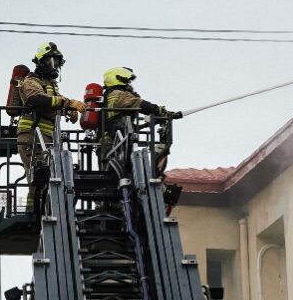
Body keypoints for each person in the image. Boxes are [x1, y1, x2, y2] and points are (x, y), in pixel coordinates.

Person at [15, 42, 85, 211]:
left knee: (46, 177)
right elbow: (36, 99)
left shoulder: (51, 86)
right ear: (42, 62)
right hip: (31, 135)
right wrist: (68, 103)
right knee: (38, 176)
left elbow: (57, 100)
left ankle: (41, 211)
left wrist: (70, 109)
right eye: (52, 61)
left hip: (46, 137)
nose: (55, 66)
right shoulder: (31, 81)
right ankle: (33, 215)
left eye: (58, 63)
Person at [99, 66, 181, 175]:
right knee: (116, 174)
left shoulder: (112, 95)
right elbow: (139, 104)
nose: (129, 84)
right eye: (126, 81)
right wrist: (160, 110)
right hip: (113, 141)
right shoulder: (116, 94)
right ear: (118, 78)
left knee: (121, 173)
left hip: (115, 140)